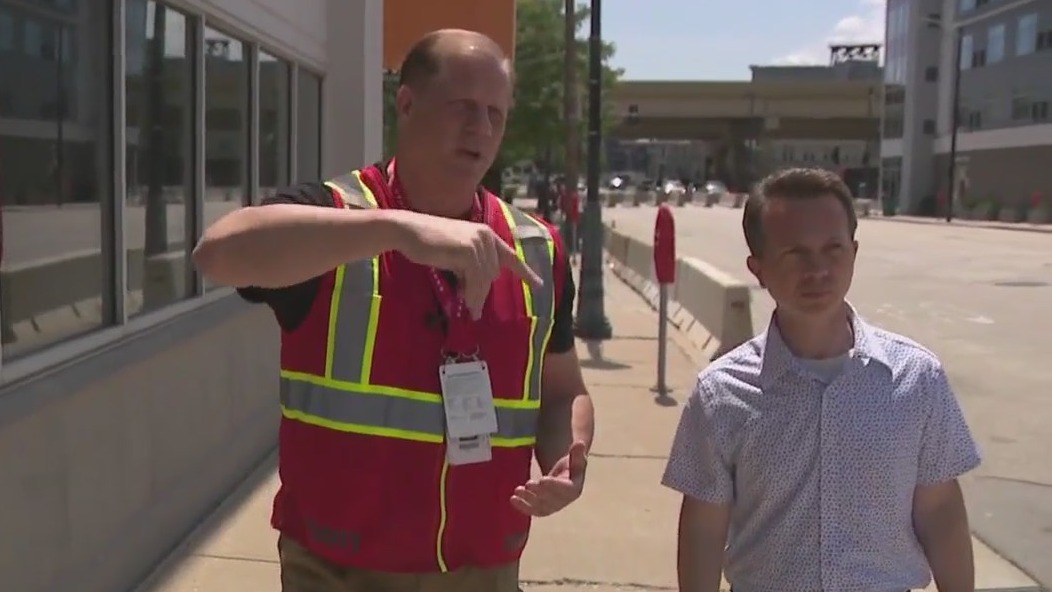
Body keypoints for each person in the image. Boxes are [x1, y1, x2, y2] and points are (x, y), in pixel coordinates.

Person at [193, 28, 594, 592]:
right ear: (406, 104)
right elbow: (217, 254)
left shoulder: (538, 248)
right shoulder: (338, 216)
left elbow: (563, 390)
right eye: (462, 107)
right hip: (340, 570)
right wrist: (398, 230)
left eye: (495, 114)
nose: (481, 129)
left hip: (482, 567)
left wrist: (568, 458)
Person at [662, 168, 981, 592]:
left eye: (833, 249)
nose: (818, 270)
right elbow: (703, 526)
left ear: (854, 252)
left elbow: (940, 509)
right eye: (796, 254)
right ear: (758, 269)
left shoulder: (915, 379)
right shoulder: (721, 393)